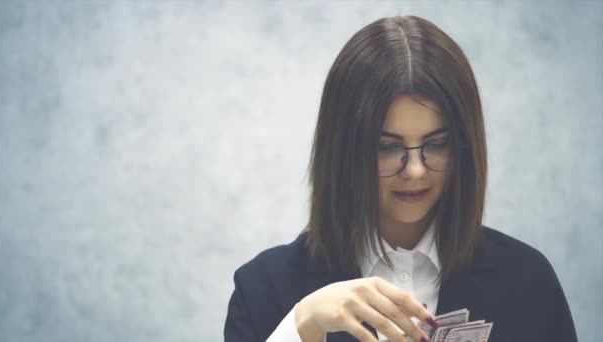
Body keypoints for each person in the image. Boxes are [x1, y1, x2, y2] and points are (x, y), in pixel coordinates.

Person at [224, 15, 577, 342]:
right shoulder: (262, 289)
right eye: (386, 147)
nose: (415, 170)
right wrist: (302, 326)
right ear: (343, 152)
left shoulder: (528, 281)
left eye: (437, 144)